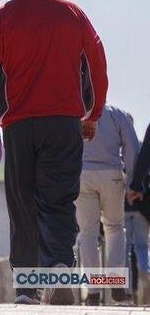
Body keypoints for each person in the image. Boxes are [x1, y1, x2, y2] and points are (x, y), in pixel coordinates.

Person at [0, 0, 108, 306]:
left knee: (22, 202)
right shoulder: (72, 13)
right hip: (64, 123)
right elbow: (97, 61)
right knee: (59, 199)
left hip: (19, 125)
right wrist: (93, 113)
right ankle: (60, 269)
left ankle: (28, 290)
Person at [76, 104, 138, 305]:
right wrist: (131, 184)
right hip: (111, 175)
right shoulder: (116, 114)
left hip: (82, 174)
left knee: (87, 234)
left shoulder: (75, 113)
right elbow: (132, 148)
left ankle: (93, 292)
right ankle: (116, 283)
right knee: (114, 228)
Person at [126, 123, 150, 300]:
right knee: (142, 247)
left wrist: (136, 186)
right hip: (141, 211)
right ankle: (144, 270)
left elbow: (144, 158)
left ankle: (129, 289)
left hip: (125, 208)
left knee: (125, 248)